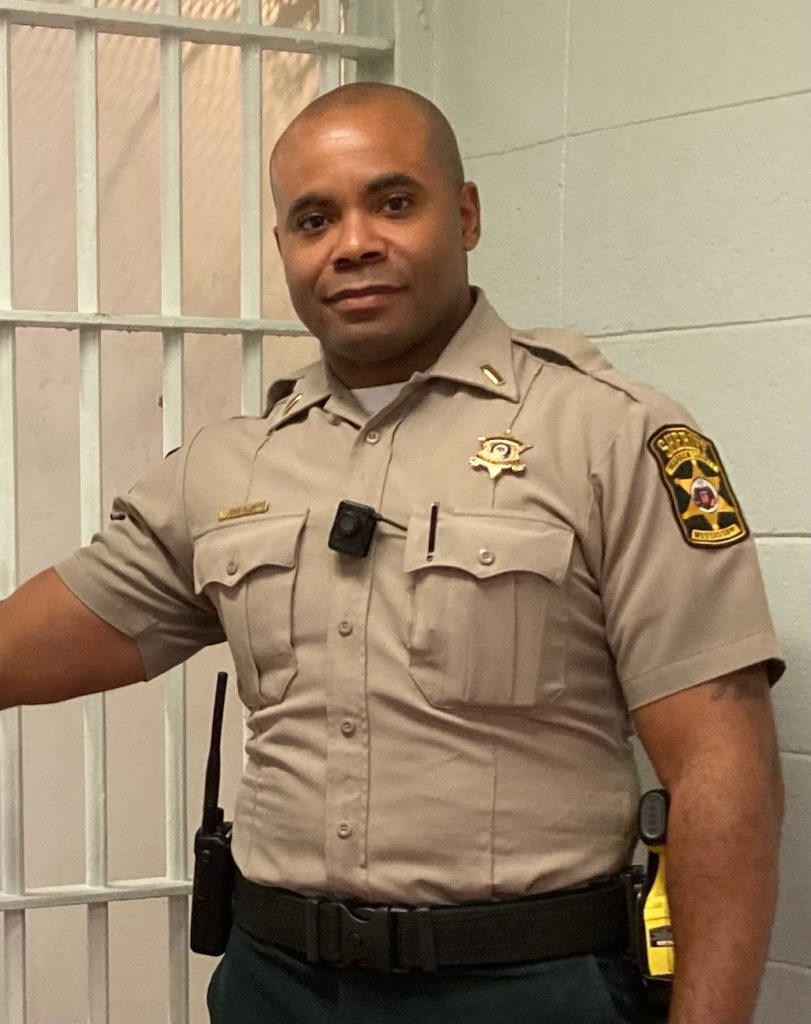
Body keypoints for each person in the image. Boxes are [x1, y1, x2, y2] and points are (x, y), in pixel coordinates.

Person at [0, 83, 784, 1024]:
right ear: (285, 247)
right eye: (314, 219)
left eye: (394, 202)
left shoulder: (608, 435)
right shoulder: (229, 465)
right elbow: (41, 639)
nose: (353, 243)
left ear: (465, 215)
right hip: (276, 986)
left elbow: (718, 768)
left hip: (524, 988)